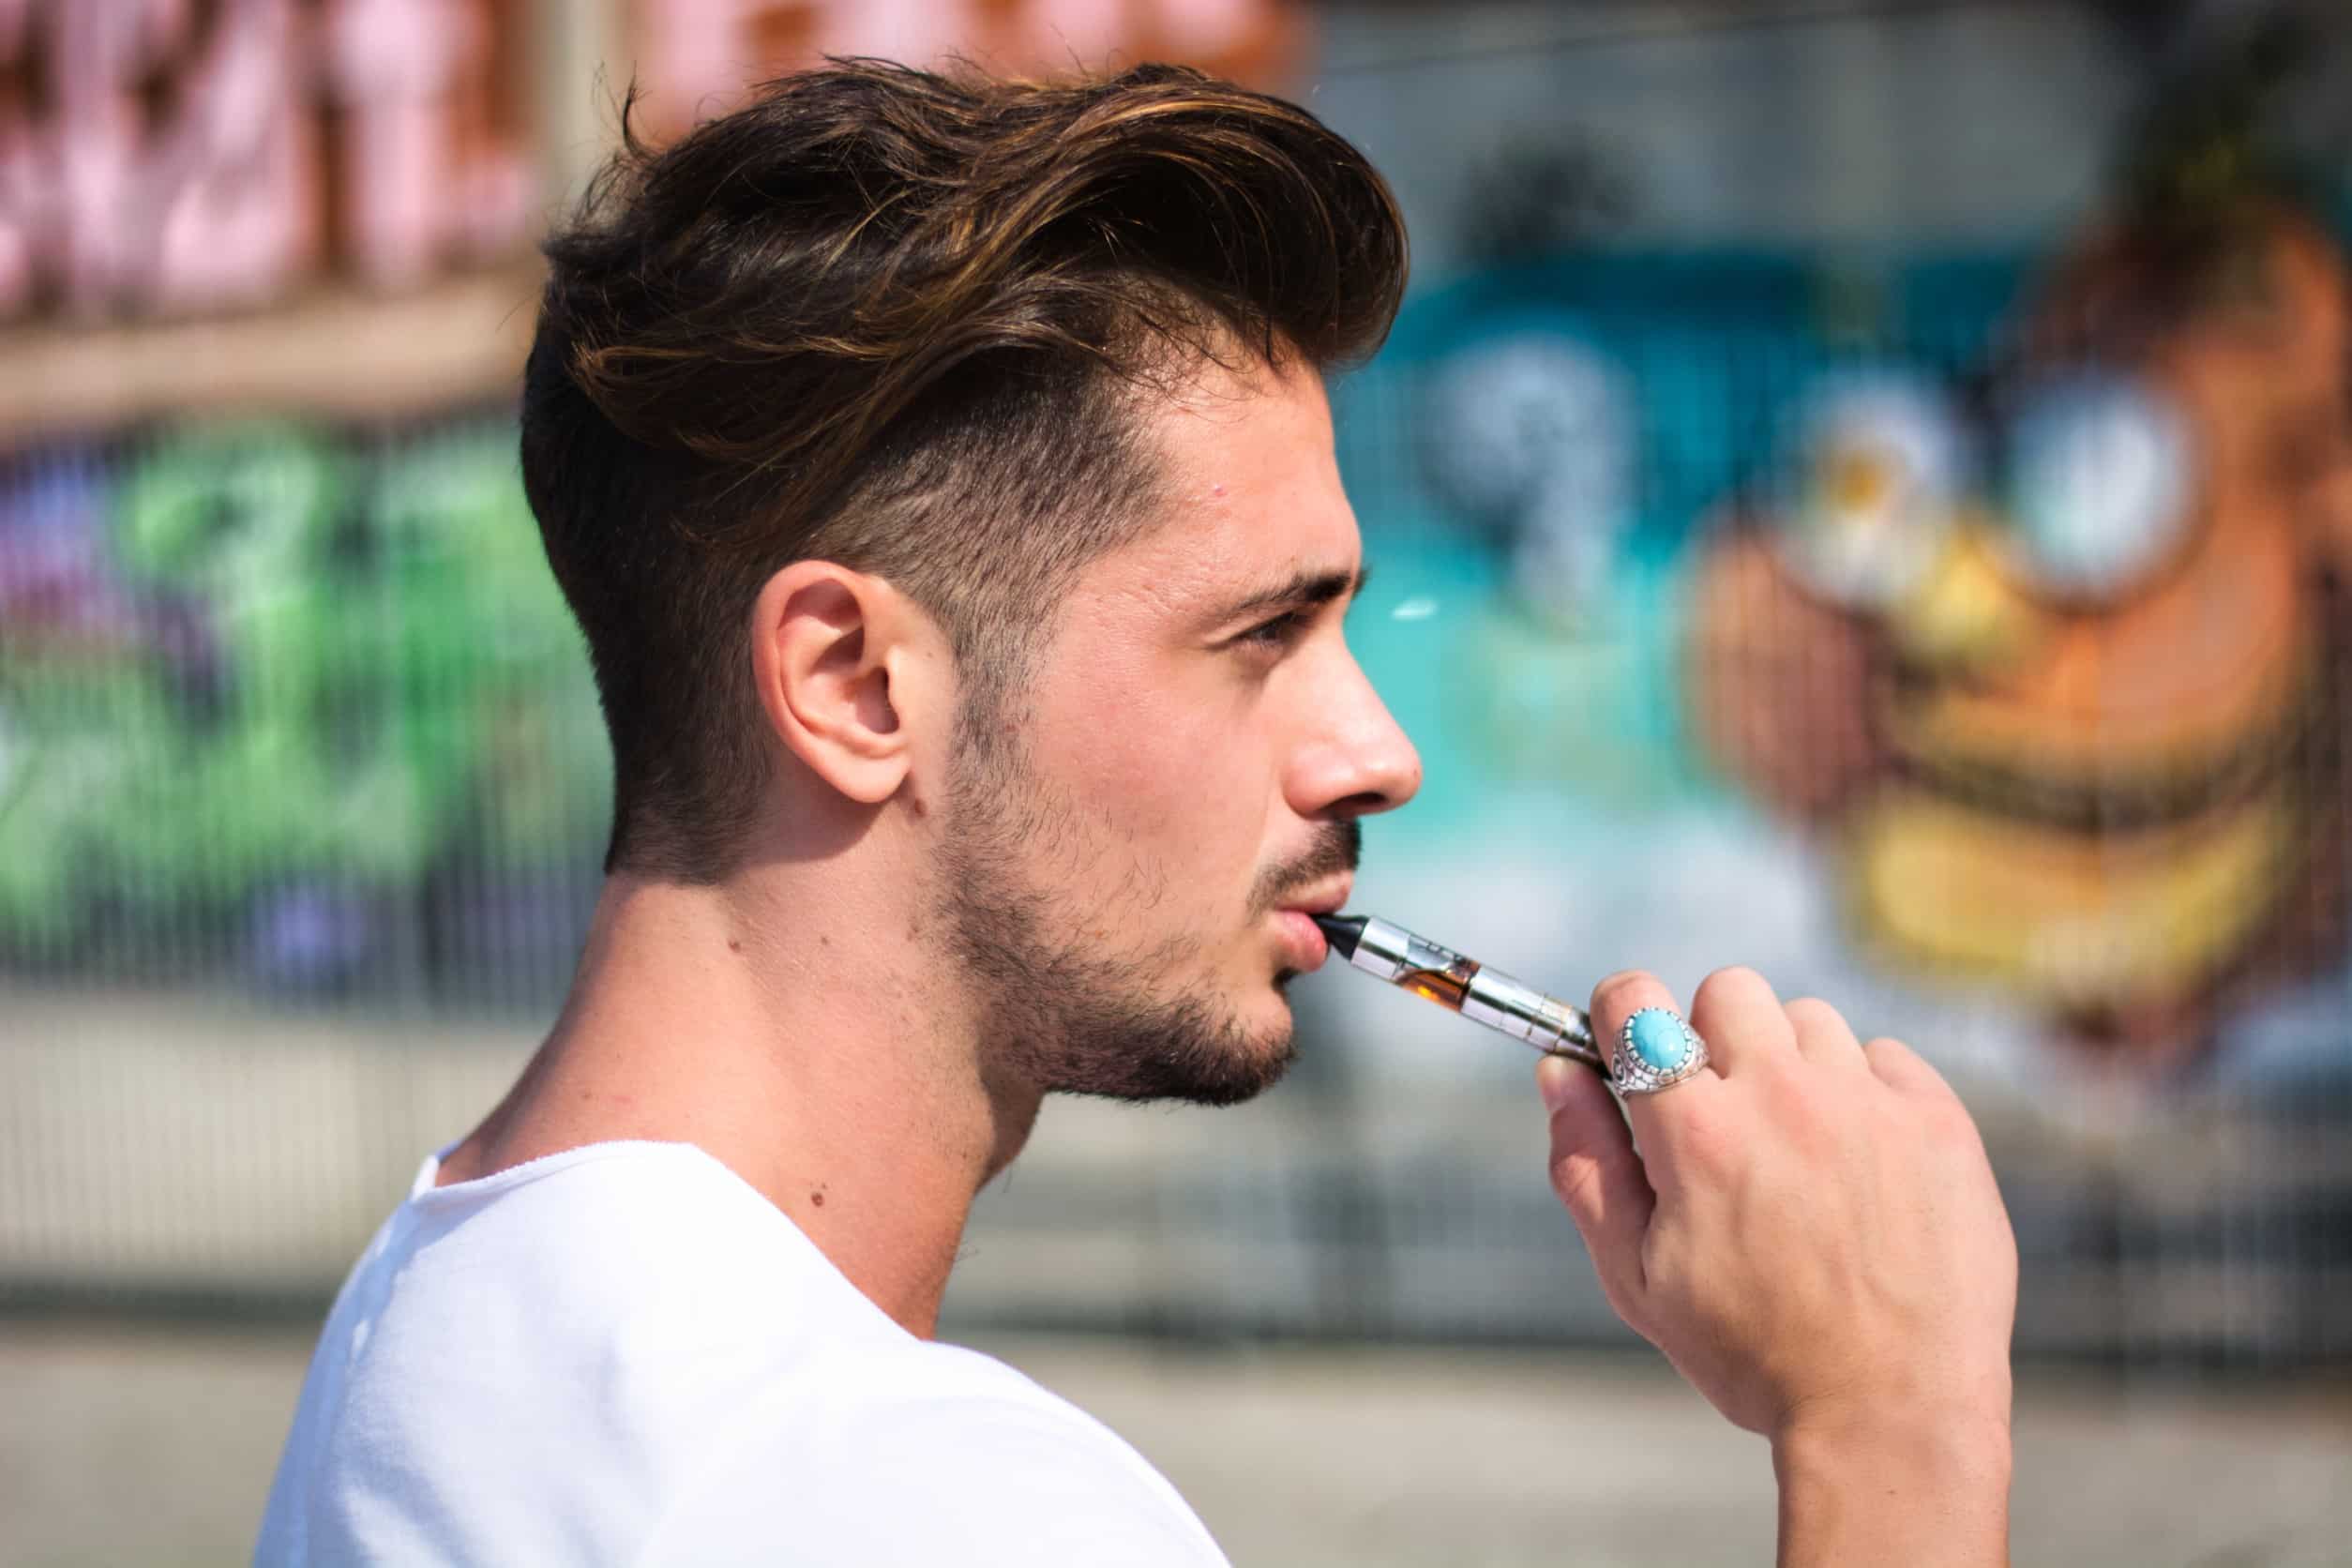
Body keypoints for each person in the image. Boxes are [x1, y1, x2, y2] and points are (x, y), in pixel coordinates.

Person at [255, 60, 2017, 1566]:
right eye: (1264, 630)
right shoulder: (923, 1505)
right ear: (858, 687)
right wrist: (1891, 1429)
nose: (1379, 751)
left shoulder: (437, 1300)